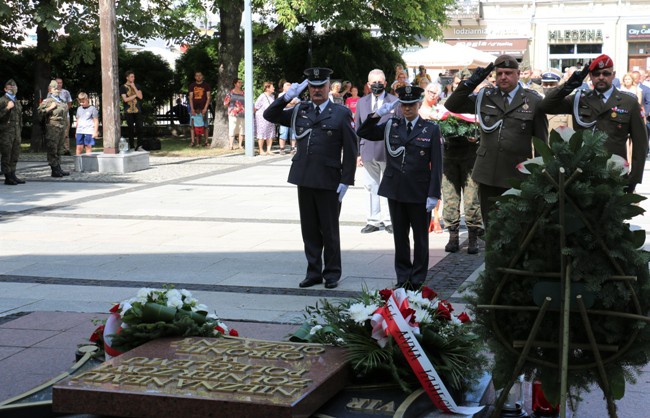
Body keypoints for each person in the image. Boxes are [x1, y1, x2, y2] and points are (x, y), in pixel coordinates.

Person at [263, 68, 357, 289]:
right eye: (312, 87)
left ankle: (332, 273)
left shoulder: (340, 113)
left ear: (328, 87)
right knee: (309, 229)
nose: (316, 90)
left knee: (330, 230)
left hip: (329, 180)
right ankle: (313, 272)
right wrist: (287, 97)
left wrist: (346, 180)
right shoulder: (300, 110)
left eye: (320, 86)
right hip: (304, 177)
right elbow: (270, 116)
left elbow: (351, 150)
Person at [445, 55, 549, 230]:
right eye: (499, 73)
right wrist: (473, 80)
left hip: (518, 174)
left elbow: (541, 143)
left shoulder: (533, 101)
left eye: (508, 73)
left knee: (516, 226)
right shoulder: (486, 96)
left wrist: (539, 177)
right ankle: (490, 258)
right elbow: (452, 104)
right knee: (491, 224)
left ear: (518, 74)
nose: (503, 77)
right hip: (488, 173)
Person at [357, 86, 443, 290]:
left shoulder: (430, 129)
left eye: (411, 105)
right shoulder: (391, 125)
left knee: (420, 238)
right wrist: (378, 113)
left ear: (418, 105)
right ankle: (403, 276)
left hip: (419, 192)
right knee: (400, 237)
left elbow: (437, 165)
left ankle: (418, 277)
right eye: (404, 105)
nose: (407, 109)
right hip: (395, 190)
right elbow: (363, 131)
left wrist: (434, 194)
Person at [539, 54, 648, 193]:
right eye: (596, 74)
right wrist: (568, 85)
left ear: (613, 75)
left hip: (615, 175)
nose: (601, 77)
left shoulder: (629, 103)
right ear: (590, 76)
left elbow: (640, 145)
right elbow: (545, 106)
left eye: (606, 73)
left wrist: (633, 179)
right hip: (581, 176)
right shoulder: (579, 99)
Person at [354, 69, 398, 234]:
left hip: (387, 150)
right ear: (368, 84)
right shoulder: (362, 102)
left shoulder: (394, 101)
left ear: (386, 83)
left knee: (387, 185)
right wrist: (358, 153)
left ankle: (389, 220)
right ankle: (373, 219)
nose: (377, 85)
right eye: (373, 83)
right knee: (371, 185)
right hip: (368, 150)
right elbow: (358, 127)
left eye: (380, 82)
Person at [419, 82, 444, 234]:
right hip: (420, 152)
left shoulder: (440, 110)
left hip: (437, 151)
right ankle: (424, 217)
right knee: (422, 184)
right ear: (425, 91)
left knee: (436, 183)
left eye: (435, 93)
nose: (432, 95)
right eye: (430, 91)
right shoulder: (417, 108)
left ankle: (436, 218)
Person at [39, 80, 71, 178]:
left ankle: (58, 167)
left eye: (58, 88)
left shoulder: (61, 101)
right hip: (52, 128)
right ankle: (54, 169)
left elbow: (65, 115)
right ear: (50, 90)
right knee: (52, 148)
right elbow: (40, 113)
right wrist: (50, 108)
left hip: (61, 128)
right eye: (54, 88)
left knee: (59, 149)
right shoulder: (47, 101)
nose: (57, 90)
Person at [0, 79, 23, 185]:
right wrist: (7, 108)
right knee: (6, 155)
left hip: (16, 133)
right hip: (6, 133)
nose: (12, 89)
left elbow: (19, 119)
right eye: (10, 87)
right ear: (5, 89)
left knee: (15, 155)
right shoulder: (2, 100)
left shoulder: (16, 101)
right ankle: (7, 177)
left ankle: (13, 174)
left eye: (14, 87)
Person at [120, 70, 143, 150]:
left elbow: (140, 97)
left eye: (134, 76)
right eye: (131, 76)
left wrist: (134, 88)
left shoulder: (137, 86)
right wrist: (135, 95)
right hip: (129, 111)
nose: (133, 78)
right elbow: (125, 99)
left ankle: (139, 146)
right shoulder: (123, 87)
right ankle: (132, 146)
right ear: (127, 78)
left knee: (140, 128)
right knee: (130, 129)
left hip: (138, 111)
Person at [189, 71, 211, 147]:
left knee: (205, 125)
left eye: (200, 75)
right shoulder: (192, 85)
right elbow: (191, 98)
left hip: (203, 108)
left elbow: (208, 97)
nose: (198, 77)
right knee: (192, 126)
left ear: (202, 76)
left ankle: (206, 141)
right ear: (195, 77)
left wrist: (205, 108)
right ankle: (192, 142)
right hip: (194, 108)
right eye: (197, 76)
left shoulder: (206, 85)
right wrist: (192, 109)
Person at [277, 81, 300, 155]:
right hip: (283, 116)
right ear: (284, 87)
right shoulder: (281, 95)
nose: (290, 87)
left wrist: (289, 103)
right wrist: (291, 103)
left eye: (290, 85)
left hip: (293, 115)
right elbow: (283, 105)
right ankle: (282, 148)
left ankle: (293, 148)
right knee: (283, 132)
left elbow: (298, 103)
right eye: (288, 86)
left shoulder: (294, 95)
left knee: (293, 133)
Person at [254, 81, 276, 155]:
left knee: (270, 132)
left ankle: (268, 150)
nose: (274, 88)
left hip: (270, 117)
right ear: (267, 88)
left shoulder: (272, 96)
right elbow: (256, 107)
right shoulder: (262, 96)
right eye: (272, 87)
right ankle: (260, 150)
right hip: (262, 117)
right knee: (262, 132)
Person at [224, 78, 245, 150]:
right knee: (232, 128)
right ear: (235, 84)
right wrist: (231, 108)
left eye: (241, 82)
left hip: (242, 113)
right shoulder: (230, 93)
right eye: (239, 82)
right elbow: (226, 104)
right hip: (233, 113)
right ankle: (231, 145)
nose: (240, 84)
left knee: (242, 129)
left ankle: (240, 145)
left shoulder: (243, 93)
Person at [55, 78, 73, 155]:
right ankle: (58, 149)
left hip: (65, 116)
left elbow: (70, 103)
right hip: (56, 117)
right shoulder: (51, 93)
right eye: (58, 83)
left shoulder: (66, 92)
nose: (59, 84)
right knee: (56, 133)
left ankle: (66, 149)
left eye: (61, 83)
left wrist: (64, 110)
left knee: (65, 133)